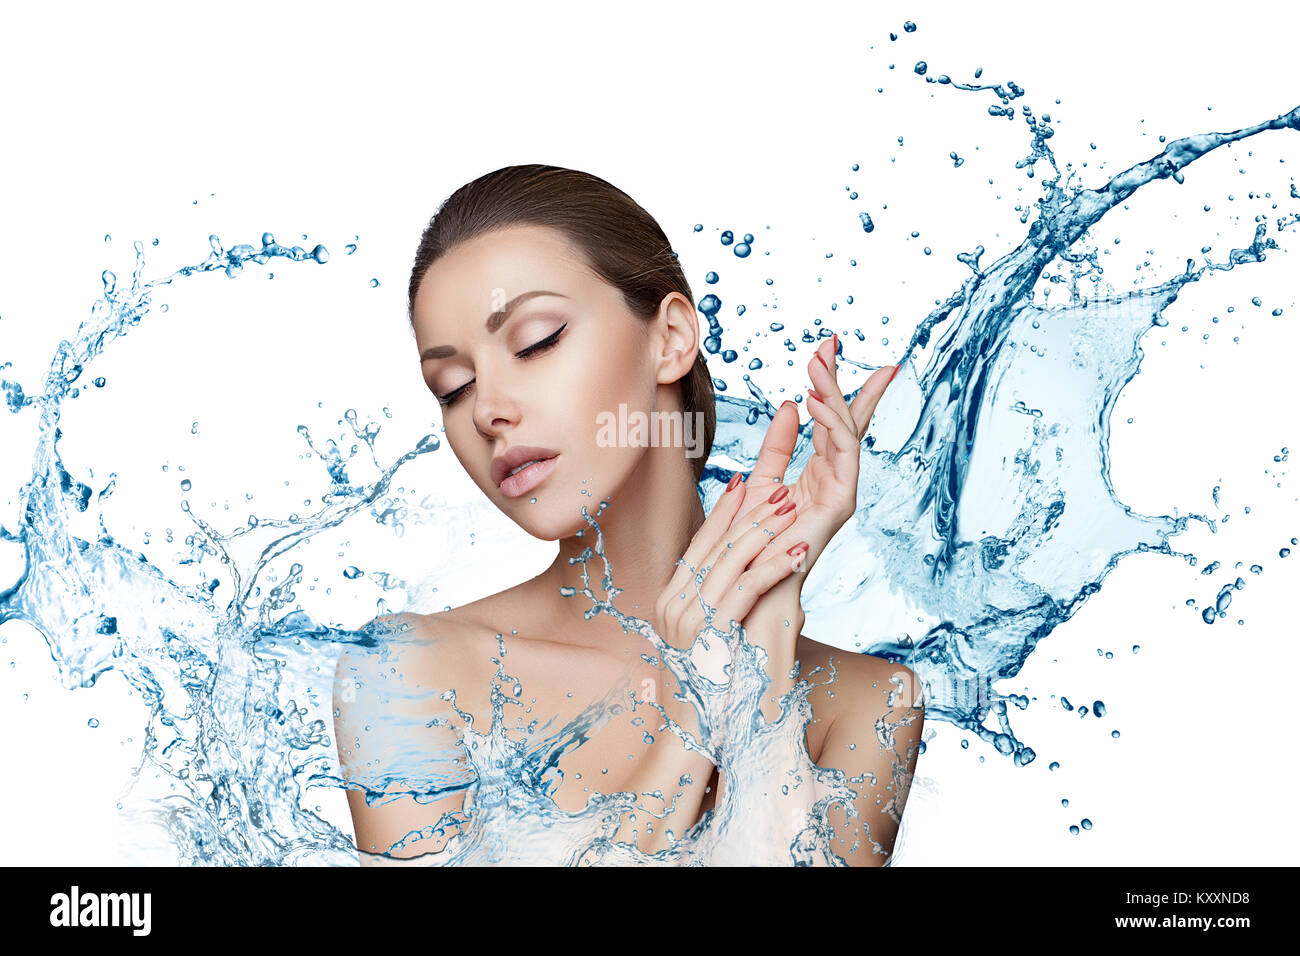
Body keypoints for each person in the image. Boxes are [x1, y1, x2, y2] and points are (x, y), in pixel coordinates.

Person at [333, 164, 924, 866]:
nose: (487, 408)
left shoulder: (869, 704)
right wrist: (700, 698)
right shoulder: (409, 674)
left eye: (535, 341)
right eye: (452, 386)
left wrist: (759, 668)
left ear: (670, 337)